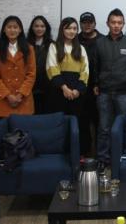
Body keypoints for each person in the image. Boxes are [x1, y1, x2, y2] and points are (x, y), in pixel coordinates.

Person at [94, 9, 126, 172]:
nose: (116, 25)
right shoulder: (99, 43)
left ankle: (121, 156)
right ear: (107, 23)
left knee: (123, 126)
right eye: (113, 22)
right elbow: (95, 65)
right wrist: (95, 83)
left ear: (123, 24)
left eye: (119, 23)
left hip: (124, 92)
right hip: (104, 92)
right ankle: (103, 159)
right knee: (104, 128)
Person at [47, 17, 90, 151]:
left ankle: (79, 154)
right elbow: (52, 68)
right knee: (60, 124)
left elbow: (85, 71)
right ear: (62, 30)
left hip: (77, 94)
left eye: (74, 28)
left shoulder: (81, 48)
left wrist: (77, 90)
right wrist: (64, 88)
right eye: (68, 28)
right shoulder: (54, 47)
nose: (72, 31)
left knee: (78, 124)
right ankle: (60, 153)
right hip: (59, 93)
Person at [0, 16, 36, 122]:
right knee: (2, 131)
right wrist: (8, 96)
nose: (12, 30)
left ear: (20, 30)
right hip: (2, 101)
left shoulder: (29, 49)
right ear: (4, 30)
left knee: (22, 131)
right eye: (9, 27)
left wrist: (20, 95)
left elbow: (31, 74)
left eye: (15, 27)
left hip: (23, 100)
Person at [78, 12, 103, 156]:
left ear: (95, 24)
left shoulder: (103, 40)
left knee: (100, 122)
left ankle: (100, 155)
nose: (87, 25)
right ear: (80, 24)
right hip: (80, 88)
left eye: (90, 22)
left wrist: (98, 83)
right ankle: (85, 153)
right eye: (84, 22)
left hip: (98, 88)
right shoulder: (75, 40)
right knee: (82, 122)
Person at [26, 15, 53, 115]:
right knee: (32, 115)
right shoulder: (25, 44)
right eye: (36, 26)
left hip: (48, 86)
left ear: (46, 28)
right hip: (30, 87)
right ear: (32, 28)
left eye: (42, 26)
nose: (39, 29)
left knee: (46, 114)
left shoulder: (52, 45)